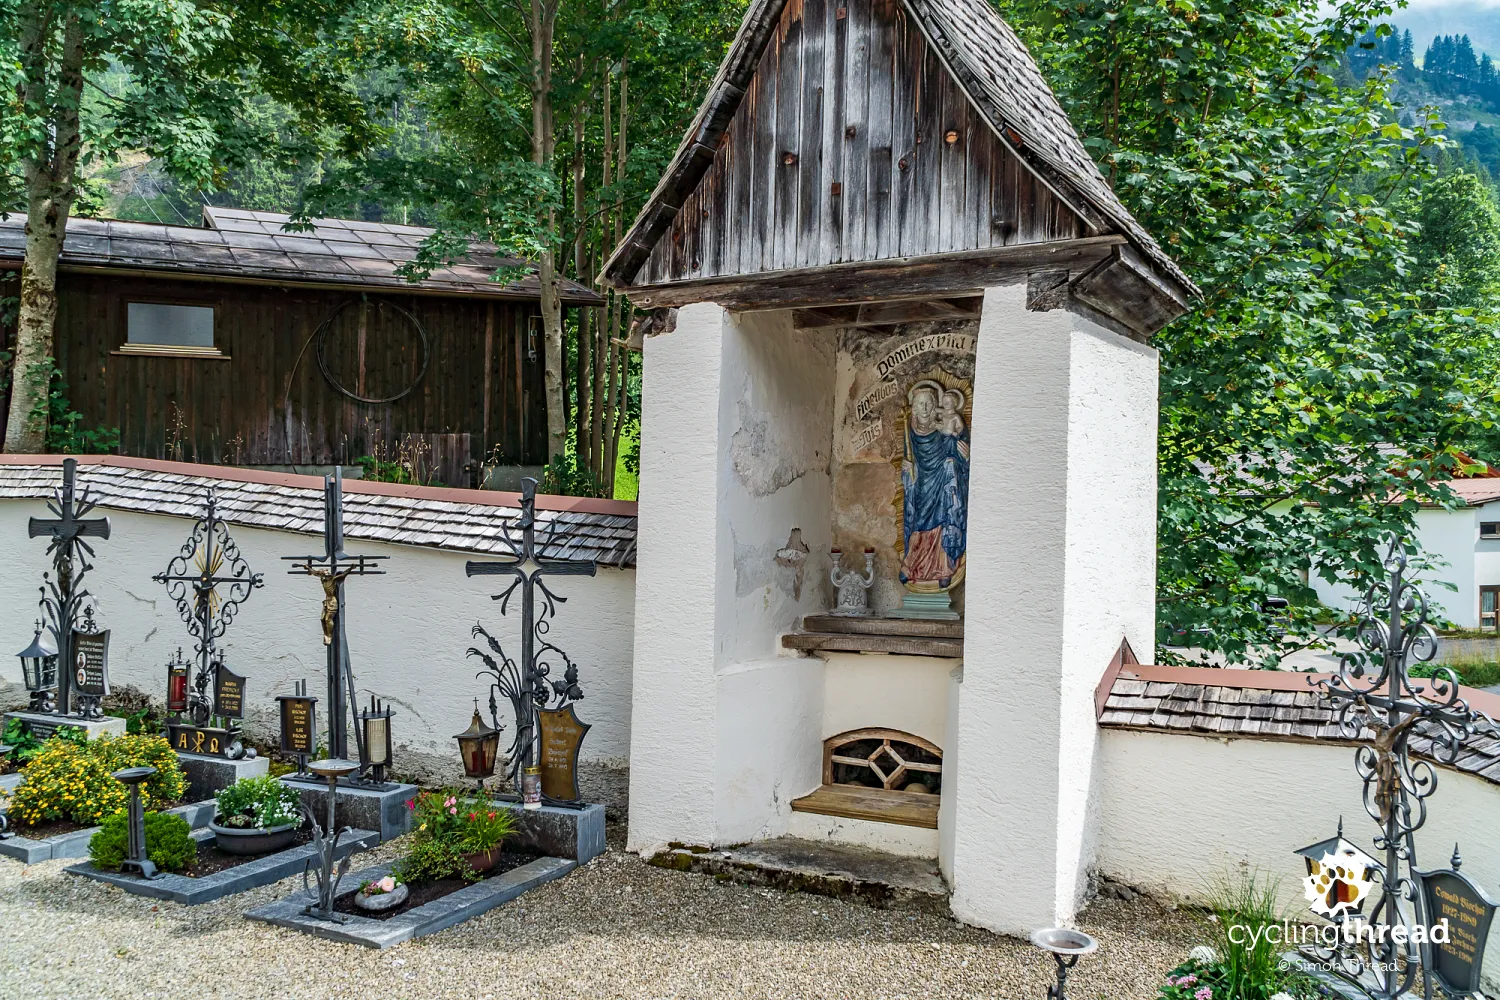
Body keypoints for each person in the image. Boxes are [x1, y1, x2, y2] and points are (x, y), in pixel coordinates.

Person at [899, 381, 969, 588]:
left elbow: (960, 454)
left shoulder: (944, 429)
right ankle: (912, 565)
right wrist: (906, 469)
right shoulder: (910, 431)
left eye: (928, 403)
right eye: (920, 403)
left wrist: (964, 457)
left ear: (935, 406)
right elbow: (909, 460)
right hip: (921, 486)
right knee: (918, 521)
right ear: (913, 408)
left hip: (942, 484)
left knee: (943, 516)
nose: (924, 408)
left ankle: (944, 567)